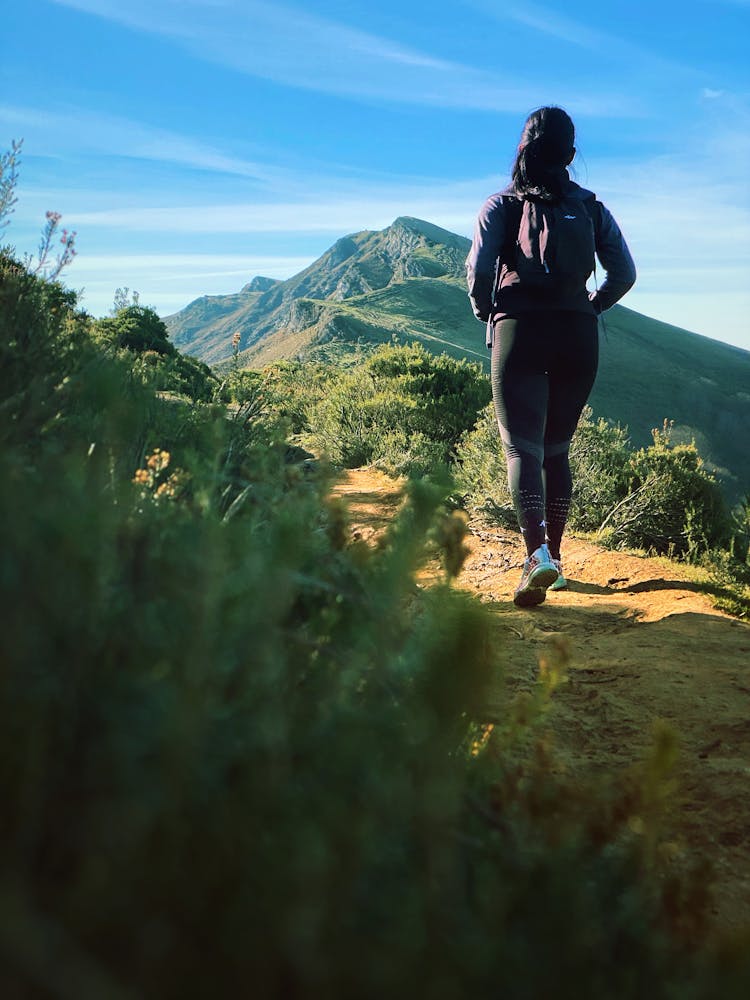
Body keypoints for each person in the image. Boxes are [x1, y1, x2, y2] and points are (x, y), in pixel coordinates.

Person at [465, 106, 636, 607]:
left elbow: (478, 273)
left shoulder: (501, 205)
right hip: (578, 334)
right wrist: (588, 307)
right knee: (557, 448)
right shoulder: (592, 208)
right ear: (571, 155)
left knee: (523, 449)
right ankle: (554, 559)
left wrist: (489, 314)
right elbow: (623, 273)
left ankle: (536, 554)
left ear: (521, 150)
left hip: (520, 328)